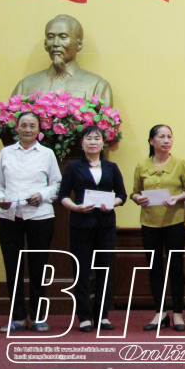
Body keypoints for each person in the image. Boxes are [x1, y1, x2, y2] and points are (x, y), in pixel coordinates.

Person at [0, 111, 61, 333]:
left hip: (40, 216)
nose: (28, 129)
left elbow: (57, 184)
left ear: (39, 130)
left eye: (32, 125)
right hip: (9, 217)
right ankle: (18, 317)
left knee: (38, 267)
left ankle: (38, 317)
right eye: (23, 125)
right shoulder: (6, 153)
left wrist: (42, 195)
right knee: (13, 267)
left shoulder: (47, 154)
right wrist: (0, 198)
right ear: (17, 128)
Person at [58, 126, 126, 332]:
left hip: (105, 225)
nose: (93, 142)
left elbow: (122, 195)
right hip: (81, 225)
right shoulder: (73, 167)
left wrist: (112, 204)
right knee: (82, 270)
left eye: (97, 138)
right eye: (88, 138)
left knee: (104, 269)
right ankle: (84, 316)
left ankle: (102, 315)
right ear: (82, 143)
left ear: (103, 143)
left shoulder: (111, 167)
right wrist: (75, 207)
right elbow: (63, 195)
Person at [131, 125, 185, 331]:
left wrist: (177, 198)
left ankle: (178, 313)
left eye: (169, 137)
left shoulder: (180, 164)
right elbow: (134, 192)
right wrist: (138, 198)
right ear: (151, 141)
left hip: (174, 222)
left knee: (176, 268)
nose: (166, 140)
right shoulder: (142, 165)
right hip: (149, 223)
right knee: (154, 268)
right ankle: (160, 312)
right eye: (161, 137)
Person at [12, 15, 113, 105]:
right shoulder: (25, 85)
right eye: (51, 37)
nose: (56, 43)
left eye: (63, 37)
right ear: (45, 44)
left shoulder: (97, 86)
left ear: (79, 44)